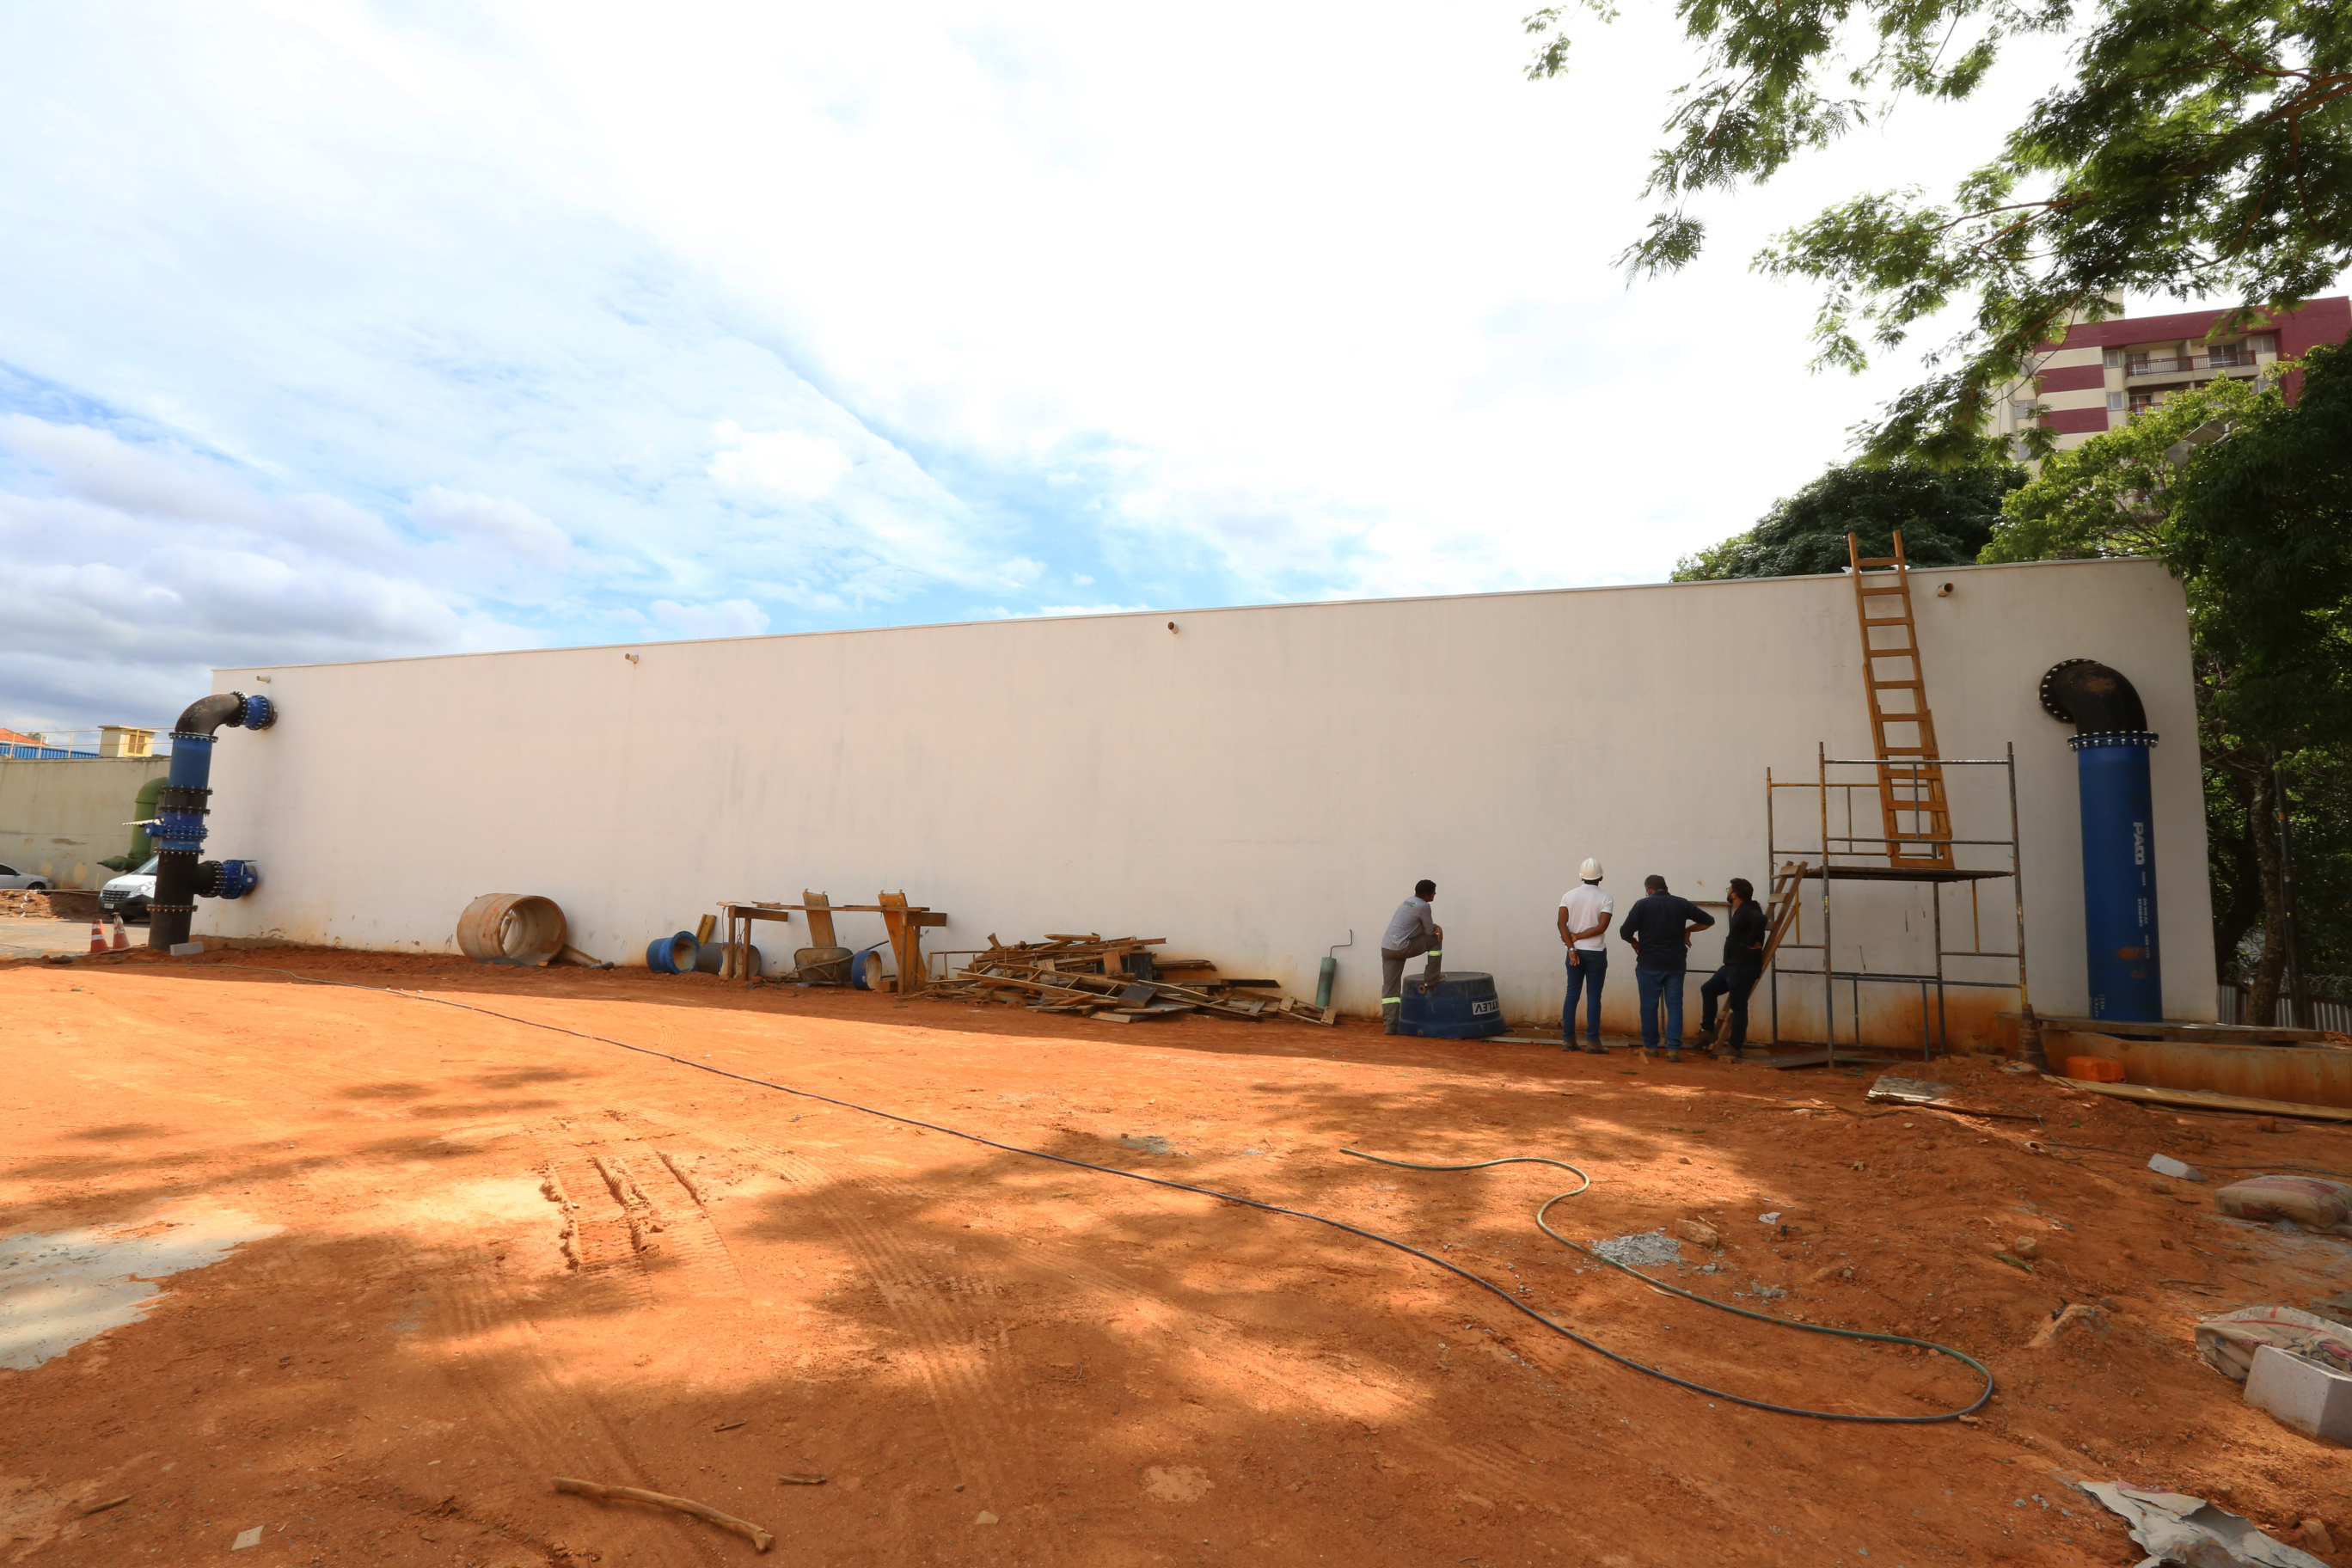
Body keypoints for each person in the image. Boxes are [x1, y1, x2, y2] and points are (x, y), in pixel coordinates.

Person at [1618, 874, 1713, 1062]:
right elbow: (1708, 921)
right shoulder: (1681, 904)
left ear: (1649, 890)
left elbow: (1624, 932)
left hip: (1649, 963)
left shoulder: (1642, 905)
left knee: (1648, 1006)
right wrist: (1688, 930)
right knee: (1675, 1005)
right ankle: (1673, 1050)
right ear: (1666, 888)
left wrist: (1634, 943)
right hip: (1675, 964)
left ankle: (1651, 1047)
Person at [1699, 877, 1767, 1059]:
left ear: (1735, 893)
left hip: (1743, 967)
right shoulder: (1743, 910)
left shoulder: (1749, 910)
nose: (1728, 892)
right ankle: (1707, 1030)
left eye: (1729, 889)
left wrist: (1752, 942)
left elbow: (1761, 920)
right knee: (1708, 989)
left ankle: (1735, 1046)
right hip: (1731, 966)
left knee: (1738, 1006)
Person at [1556, 858, 1613, 1053]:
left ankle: (1568, 1040)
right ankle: (1593, 1042)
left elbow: (1561, 924)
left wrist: (1572, 947)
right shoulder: (1606, 898)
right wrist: (1580, 937)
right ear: (1601, 877)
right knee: (1594, 997)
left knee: (1572, 994)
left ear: (1581, 876)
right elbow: (1602, 927)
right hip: (1596, 952)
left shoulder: (1568, 896)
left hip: (1574, 952)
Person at [1380, 879, 1442, 1035]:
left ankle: (1390, 1026)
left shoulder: (1408, 901)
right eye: (1434, 891)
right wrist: (1437, 927)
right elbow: (1429, 932)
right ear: (1428, 895)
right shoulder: (1424, 906)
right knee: (1436, 939)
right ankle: (1432, 977)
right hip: (1403, 947)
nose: (1435, 894)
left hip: (1387, 947)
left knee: (1390, 989)